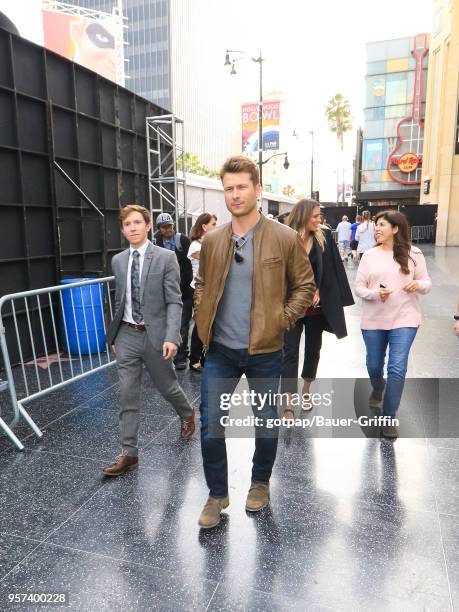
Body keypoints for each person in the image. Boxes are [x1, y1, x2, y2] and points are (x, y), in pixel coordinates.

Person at [194, 155, 315, 529]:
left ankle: (260, 482)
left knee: (266, 422)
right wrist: (201, 310)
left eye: (241, 187)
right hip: (220, 352)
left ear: (257, 190)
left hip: (265, 351)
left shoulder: (283, 237)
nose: (234, 194)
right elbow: (201, 285)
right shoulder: (213, 240)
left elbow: (305, 285)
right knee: (211, 423)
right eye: (228, 188)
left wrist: (281, 319)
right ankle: (217, 493)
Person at [102, 205, 195, 477]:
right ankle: (129, 454)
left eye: (137, 223)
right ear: (123, 229)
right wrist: (116, 334)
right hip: (127, 335)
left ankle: (187, 412)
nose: (132, 228)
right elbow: (121, 300)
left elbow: (174, 300)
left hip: (155, 335)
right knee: (127, 395)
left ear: (147, 226)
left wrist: (171, 337)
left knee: (167, 387)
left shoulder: (166, 257)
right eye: (127, 224)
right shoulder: (118, 261)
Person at [355, 210, 432, 439]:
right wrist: (375, 294)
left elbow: (427, 283)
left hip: (405, 318)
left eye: (382, 225)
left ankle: (389, 416)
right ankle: (378, 387)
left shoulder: (414, 253)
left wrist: (417, 284)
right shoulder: (369, 255)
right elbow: (358, 287)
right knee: (374, 365)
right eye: (376, 225)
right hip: (374, 319)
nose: (377, 229)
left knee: (397, 367)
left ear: (395, 229)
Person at [281, 200, 354, 418]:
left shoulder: (323, 237)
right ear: (302, 216)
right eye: (314, 216)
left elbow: (332, 269)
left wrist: (320, 291)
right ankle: (288, 400)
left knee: (313, 350)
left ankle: (306, 390)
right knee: (289, 353)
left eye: (318, 216)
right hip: (292, 307)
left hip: (315, 309)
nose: (318, 219)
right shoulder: (285, 238)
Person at [154, 212, 193, 370]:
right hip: (166, 292)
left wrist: (184, 284)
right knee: (168, 325)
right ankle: (169, 353)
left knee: (183, 325)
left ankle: (181, 357)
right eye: (164, 227)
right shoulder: (156, 242)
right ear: (159, 229)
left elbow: (189, 266)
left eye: (170, 225)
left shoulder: (183, 240)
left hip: (184, 291)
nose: (168, 229)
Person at [187, 212, 218, 372]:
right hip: (198, 290)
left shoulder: (210, 243)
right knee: (200, 323)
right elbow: (211, 260)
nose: (216, 228)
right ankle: (194, 359)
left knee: (211, 324)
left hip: (211, 290)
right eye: (213, 224)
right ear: (204, 226)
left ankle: (205, 358)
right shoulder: (195, 246)